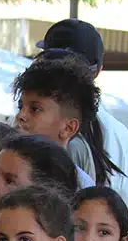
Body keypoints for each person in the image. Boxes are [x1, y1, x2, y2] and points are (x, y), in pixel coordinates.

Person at [38, 18, 128, 208]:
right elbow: (127, 207)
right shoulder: (119, 134)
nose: (23, 115)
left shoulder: (27, 123)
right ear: (98, 70)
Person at [13, 55, 119, 189]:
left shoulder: (79, 191)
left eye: (35, 109)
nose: (21, 115)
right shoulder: (3, 172)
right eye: (20, 107)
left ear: (68, 128)